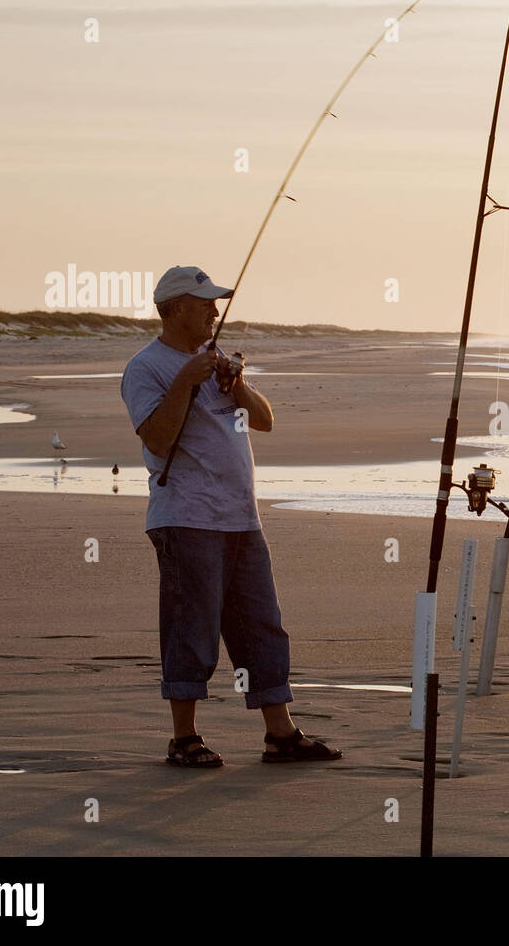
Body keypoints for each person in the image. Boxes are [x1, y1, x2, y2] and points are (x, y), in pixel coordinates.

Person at [119, 264, 340, 767]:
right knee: (190, 625)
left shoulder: (213, 360)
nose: (214, 313)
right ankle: (184, 738)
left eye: (215, 304)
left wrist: (235, 385)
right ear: (175, 309)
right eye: (203, 305)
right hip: (186, 516)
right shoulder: (146, 367)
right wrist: (184, 383)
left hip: (241, 517)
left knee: (261, 624)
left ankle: (280, 733)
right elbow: (155, 438)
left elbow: (264, 421)